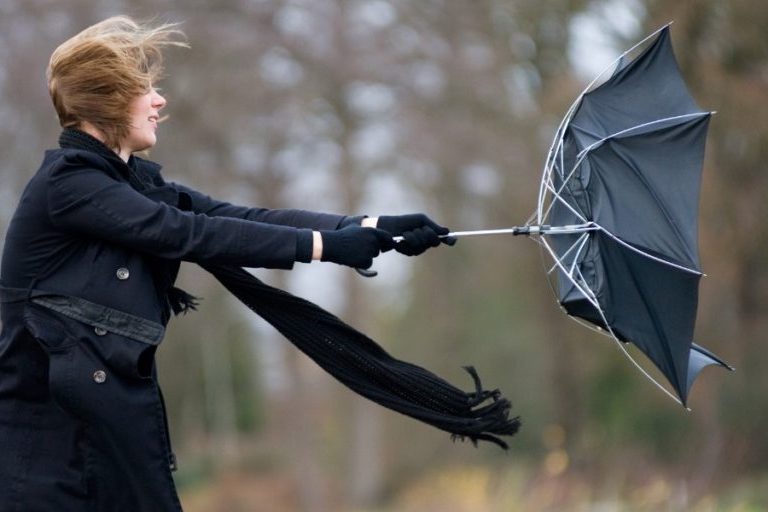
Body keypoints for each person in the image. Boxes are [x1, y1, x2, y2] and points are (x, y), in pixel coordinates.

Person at [0, 16, 453, 511]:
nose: (159, 101)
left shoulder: (130, 183)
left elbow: (234, 216)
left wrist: (367, 226)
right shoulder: (68, 185)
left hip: (103, 443)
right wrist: (325, 247)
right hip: (44, 462)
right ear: (107, 99)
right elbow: (187, 233)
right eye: (143, 89)